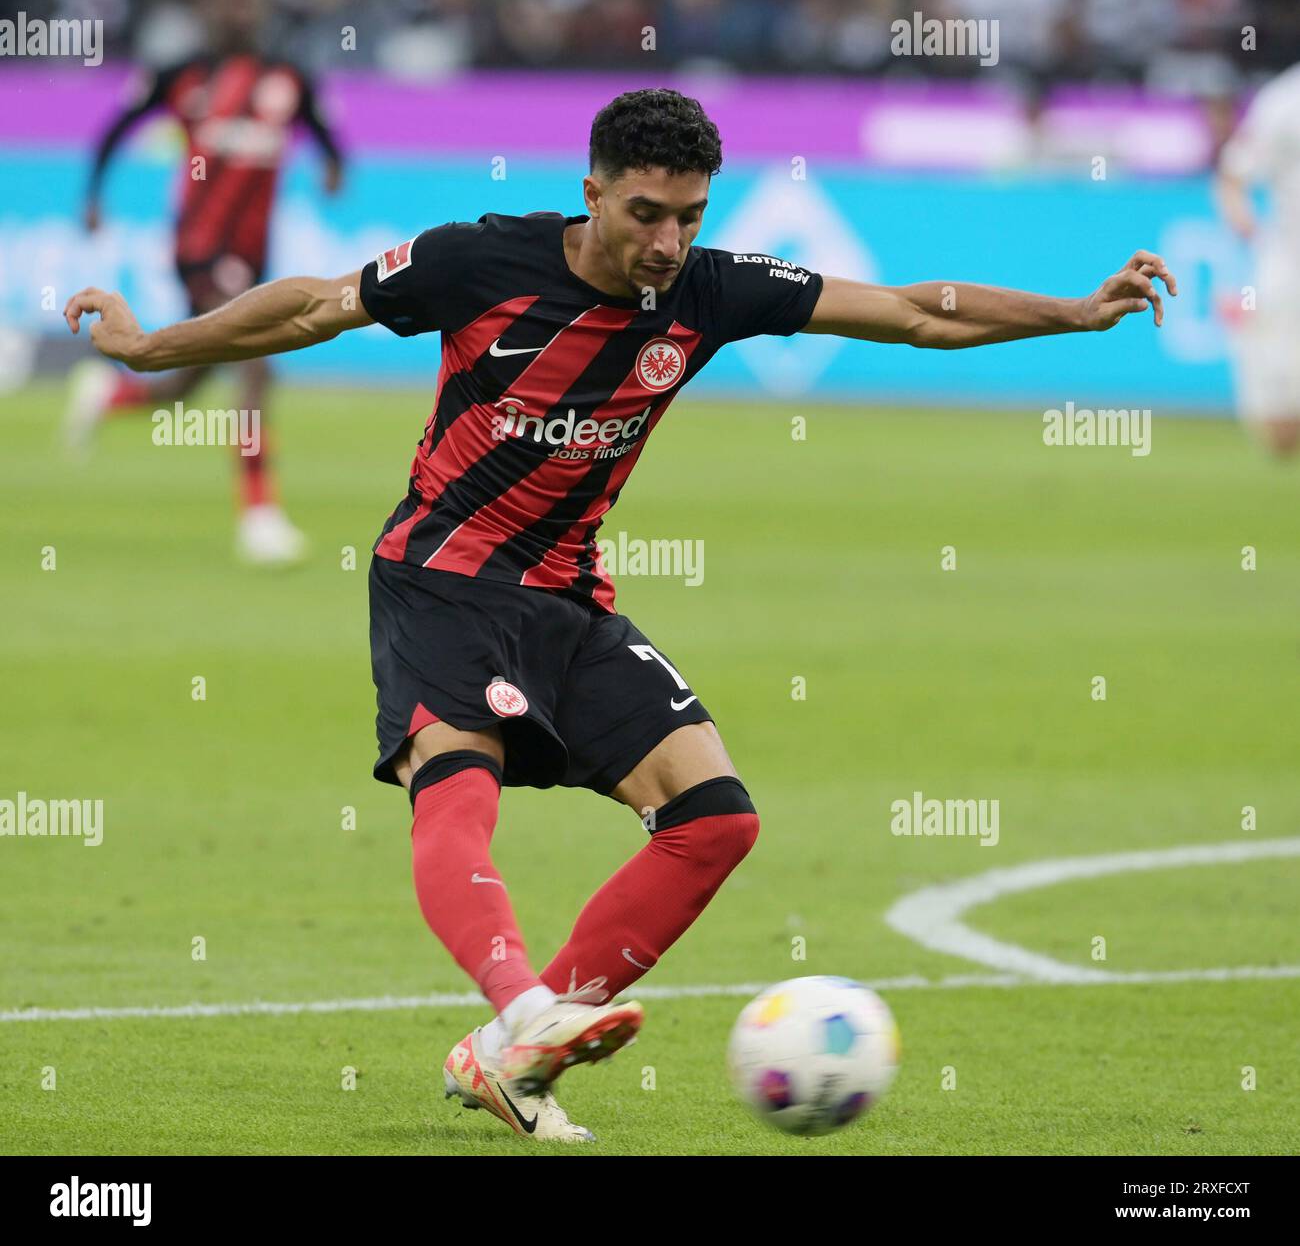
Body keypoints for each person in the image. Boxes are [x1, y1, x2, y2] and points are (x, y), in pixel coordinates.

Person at [62, 87, 1175, 1142]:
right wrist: (151, 346)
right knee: (456, 783)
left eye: (689, 216)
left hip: (567, 598)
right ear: (591, 191)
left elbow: (907, 315)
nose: (665, 241)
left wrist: (1074, 313)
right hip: (439, 577)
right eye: (645, 213)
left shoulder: (708, 289)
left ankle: (516, 1051)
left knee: (716, 817)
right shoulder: (478, 259)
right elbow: (311, 303)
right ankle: (523, 1006)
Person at [67, 0, 343, 563]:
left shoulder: (288, 79)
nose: (239, 13)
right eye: (229, 4)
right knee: (257, 359)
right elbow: (117, 126)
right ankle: (259, 514)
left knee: (185, 384)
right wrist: (94, 195)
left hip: (250, 254)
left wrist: (333, 165)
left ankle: (108, 395)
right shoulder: (181, 75)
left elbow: (323, 131)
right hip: (198, 246)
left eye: (249, 3)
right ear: (210, 12)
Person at [1215, 62, 1300, 457]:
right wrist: (1248, 229)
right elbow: (1233, 175)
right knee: (1281, 431)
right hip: (1289, 266)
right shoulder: (1284, 101)